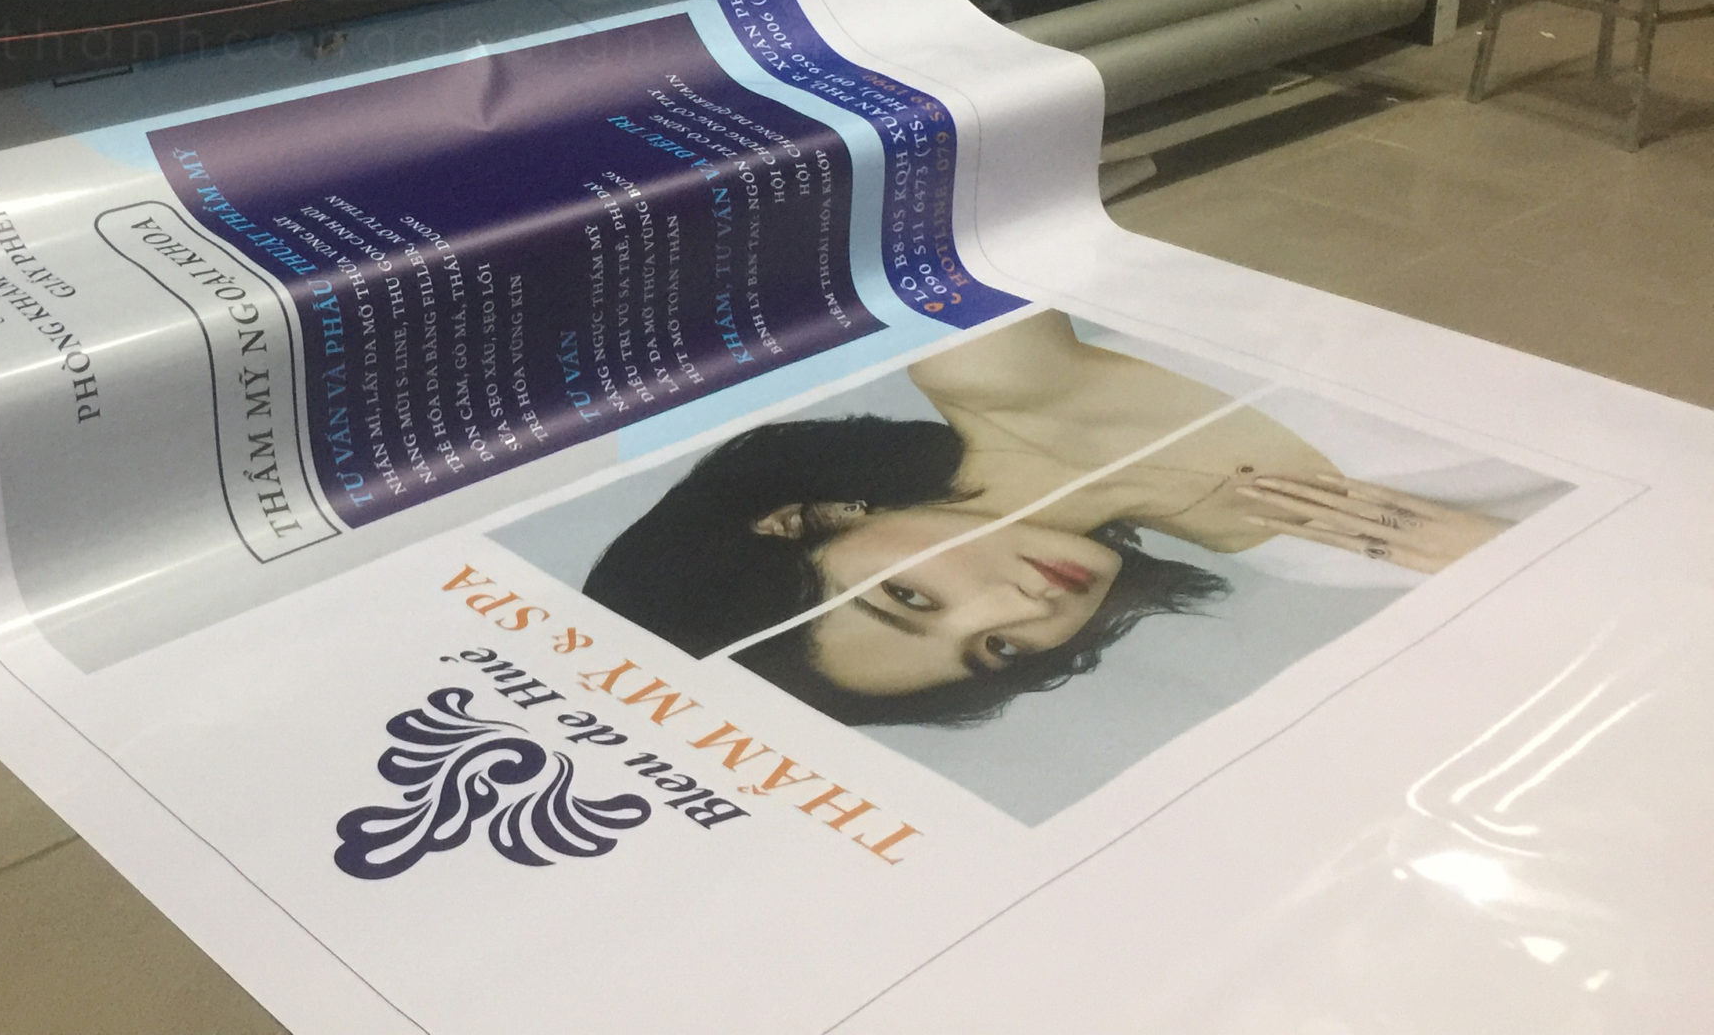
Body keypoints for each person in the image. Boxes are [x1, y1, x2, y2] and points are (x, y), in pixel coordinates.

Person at [582, 310, 1508, 727]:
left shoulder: (983, 363)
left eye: (909, 598)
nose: (1021, 613)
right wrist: (1503, 561)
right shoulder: (1332, 558)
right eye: (995, 653)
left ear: (804, 519)